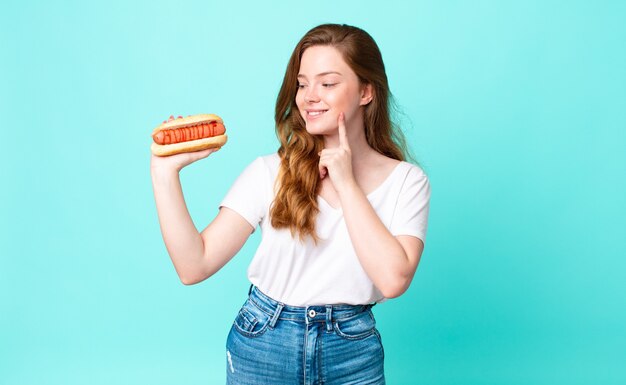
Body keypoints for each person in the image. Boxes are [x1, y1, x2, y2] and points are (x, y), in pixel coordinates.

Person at [151, 23, 431, 385]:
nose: (309, 96)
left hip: (351, 350)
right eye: (302, 83)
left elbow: (393, 280)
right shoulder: (269, 172)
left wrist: (346, 183)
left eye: (327, 84)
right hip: (264, 342)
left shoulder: (407, 182)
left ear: (365, 91)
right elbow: (194, 266)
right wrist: (164, 173)